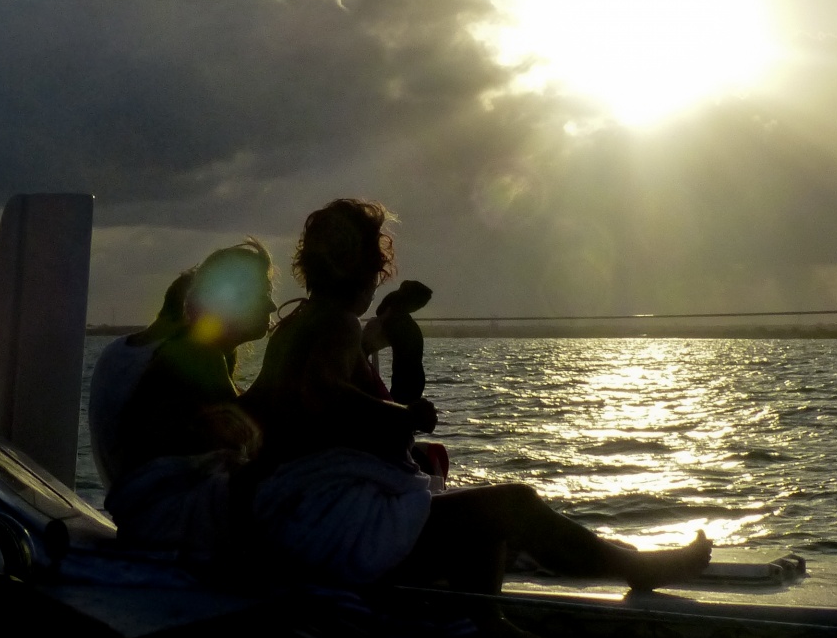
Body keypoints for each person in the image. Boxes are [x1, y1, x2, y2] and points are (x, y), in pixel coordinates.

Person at [244, 199, 712, 593]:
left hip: (289, 520)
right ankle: (638, 571)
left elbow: (277, 408)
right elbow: (322, 393)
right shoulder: (338, 324)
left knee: (477, 513)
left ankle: (485, 625)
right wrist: (403, 415)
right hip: (329, 530)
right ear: (367, 267)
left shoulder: (295, 327)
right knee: (515, 504)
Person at [105, 243, 273, 560]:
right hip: (159, 516)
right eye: (263, 294)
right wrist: (284, 361)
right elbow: (250, 434)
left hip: (153, 514)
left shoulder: (199, 350)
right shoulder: (196, 352)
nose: (272, 305)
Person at [90, 268, 195, 490]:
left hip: (125, 502)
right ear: (192, 312)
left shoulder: (114, 351)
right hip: (158, 510)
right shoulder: (171, 364)